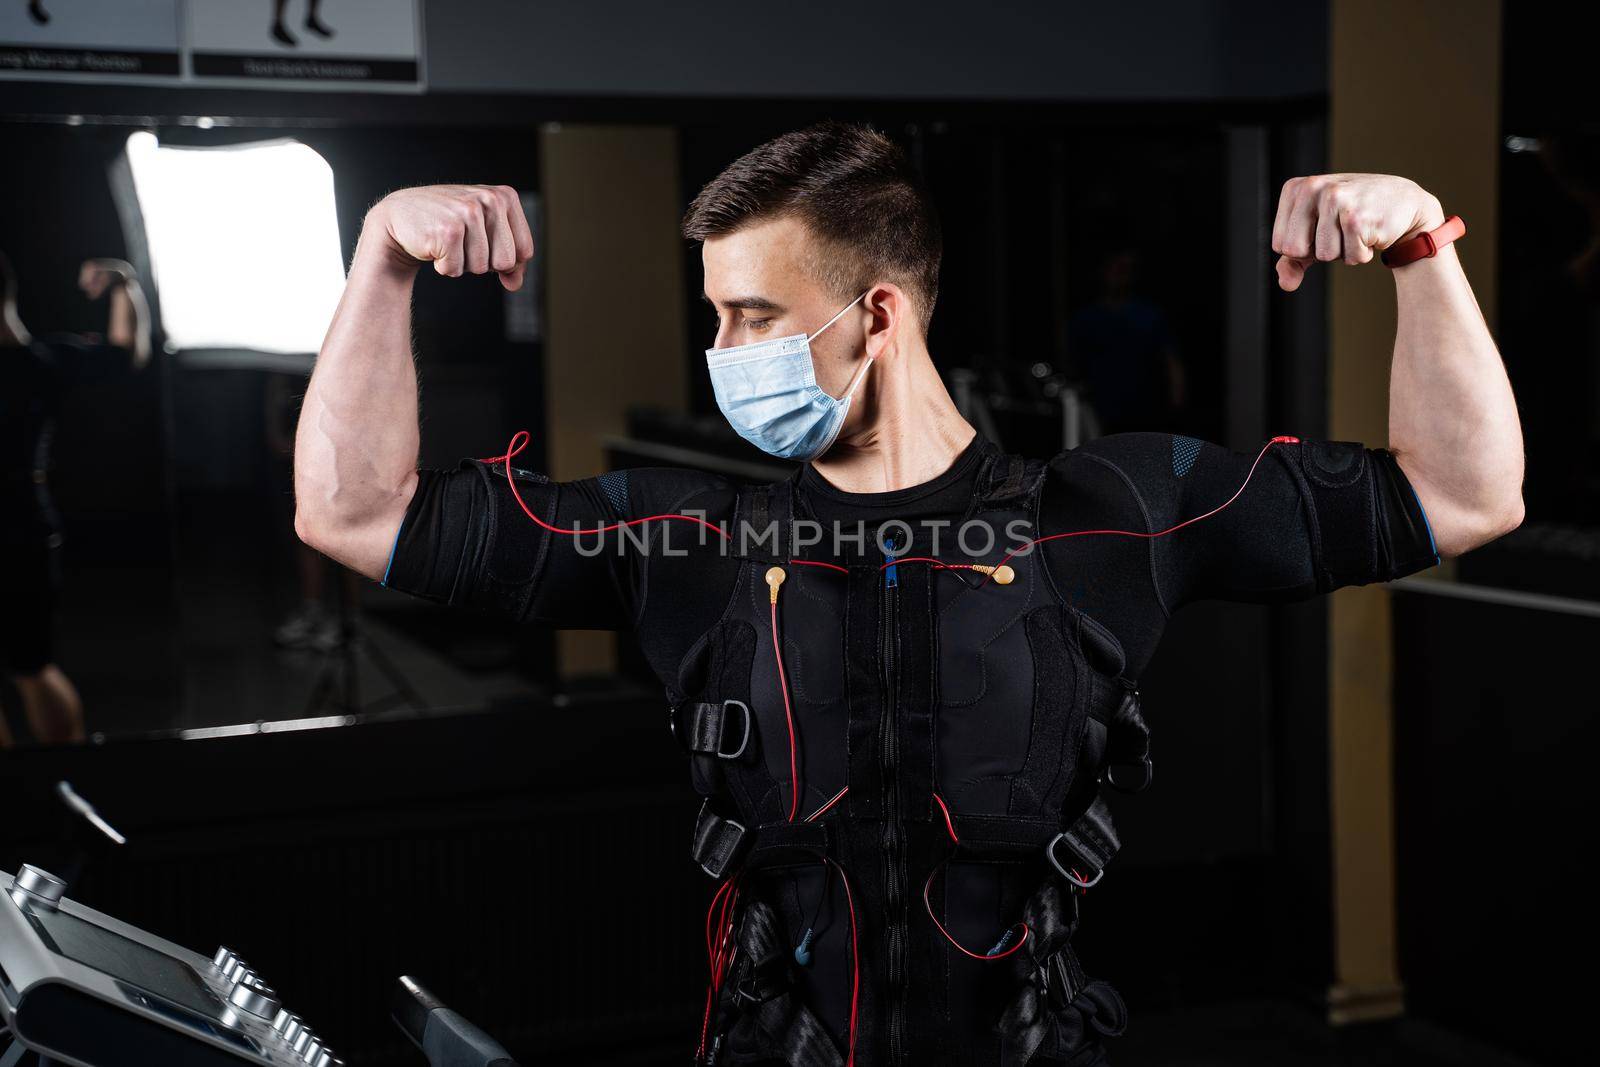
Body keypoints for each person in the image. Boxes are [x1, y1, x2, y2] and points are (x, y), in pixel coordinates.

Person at [293, 125, 1524, 1065]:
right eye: (716, 314)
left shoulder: (1107, 516)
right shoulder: (689, 538)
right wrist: (382, 259)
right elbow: (349, 513)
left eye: (752, 314)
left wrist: (1419, 244)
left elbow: (1464, 494)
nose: (724, 349)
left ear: (876, 312)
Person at [0, 250, 151, 748]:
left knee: (32, 666)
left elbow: (123, 352)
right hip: (26, 526)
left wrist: (124, 284)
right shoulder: (42, 362)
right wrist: (122, 285)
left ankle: (67, 783)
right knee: (32, 666)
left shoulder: (37, 363)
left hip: (20, 530)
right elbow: (124, 350)